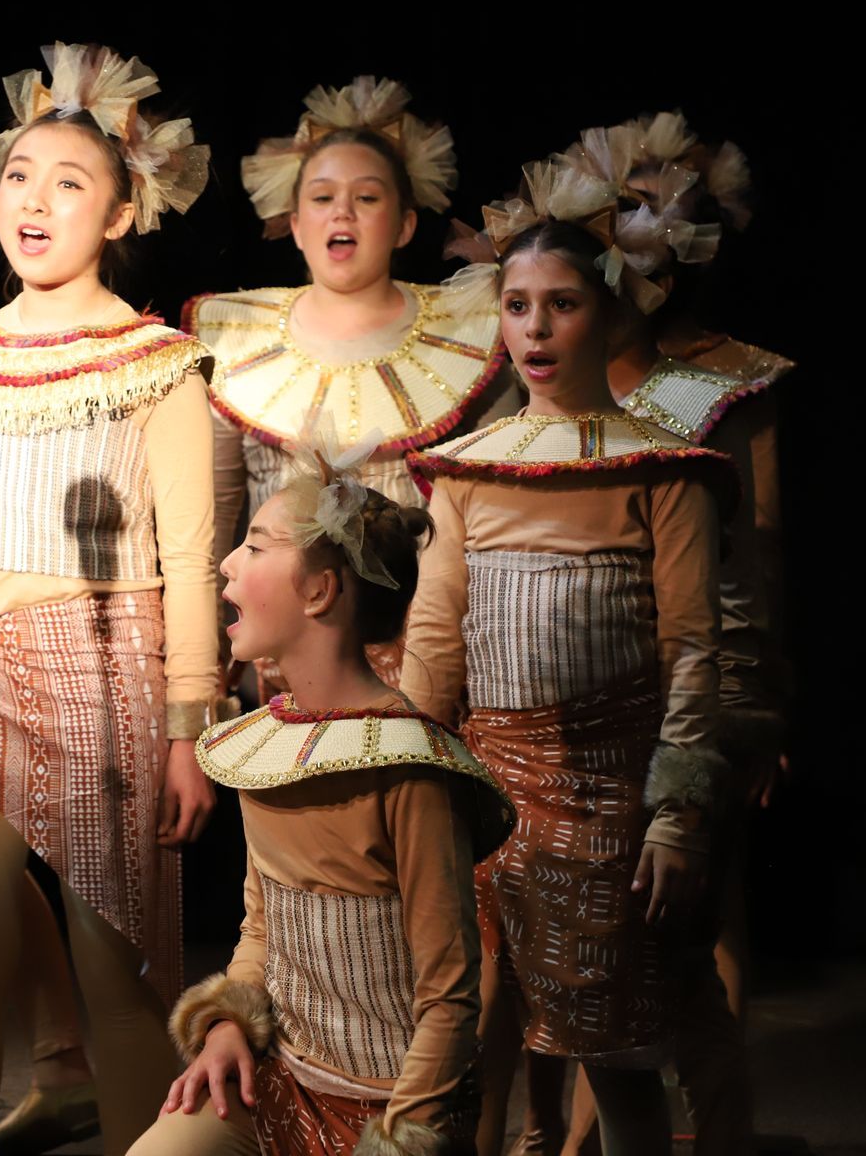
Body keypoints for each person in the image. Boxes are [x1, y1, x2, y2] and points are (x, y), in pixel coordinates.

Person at [0, 42, 217, 1154]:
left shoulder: (154, 359)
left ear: (118, 215)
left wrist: (189, 729)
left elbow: (193, 550)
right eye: (20, 175)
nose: (36, 199)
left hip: (107, 671)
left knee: (118, 965)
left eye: (70, 182)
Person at [403, 152, 733, 1153]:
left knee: (617, 1043)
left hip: (608, 793)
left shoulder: (661, 469)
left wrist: (674, 815)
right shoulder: (466, 472)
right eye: (516, 304)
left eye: (561, 304)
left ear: (608, 312)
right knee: (472, 1029)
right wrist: (409, 785)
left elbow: (690, 650)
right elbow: (434, 638)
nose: (536, 329)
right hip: (490, 789)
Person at [130, 445, 515, 1156]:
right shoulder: (270, 746)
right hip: (279, 1084)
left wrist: (400, 1135)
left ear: (319, 593)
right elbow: (261, 932)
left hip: (391, 1113)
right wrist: (225, 1027)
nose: (227, 564)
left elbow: (449, 998)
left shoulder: (406, 771)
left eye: (254, 545)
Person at [185, 77, 504, 696]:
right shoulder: (238, 340)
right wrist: (201, 685)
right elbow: (212, 529)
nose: (343, 212)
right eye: (324, 197)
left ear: (406, 224)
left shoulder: (470, 337)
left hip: (426, 666)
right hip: (277, 671)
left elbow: (493, 533)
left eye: (367, 197)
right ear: (296, 222)